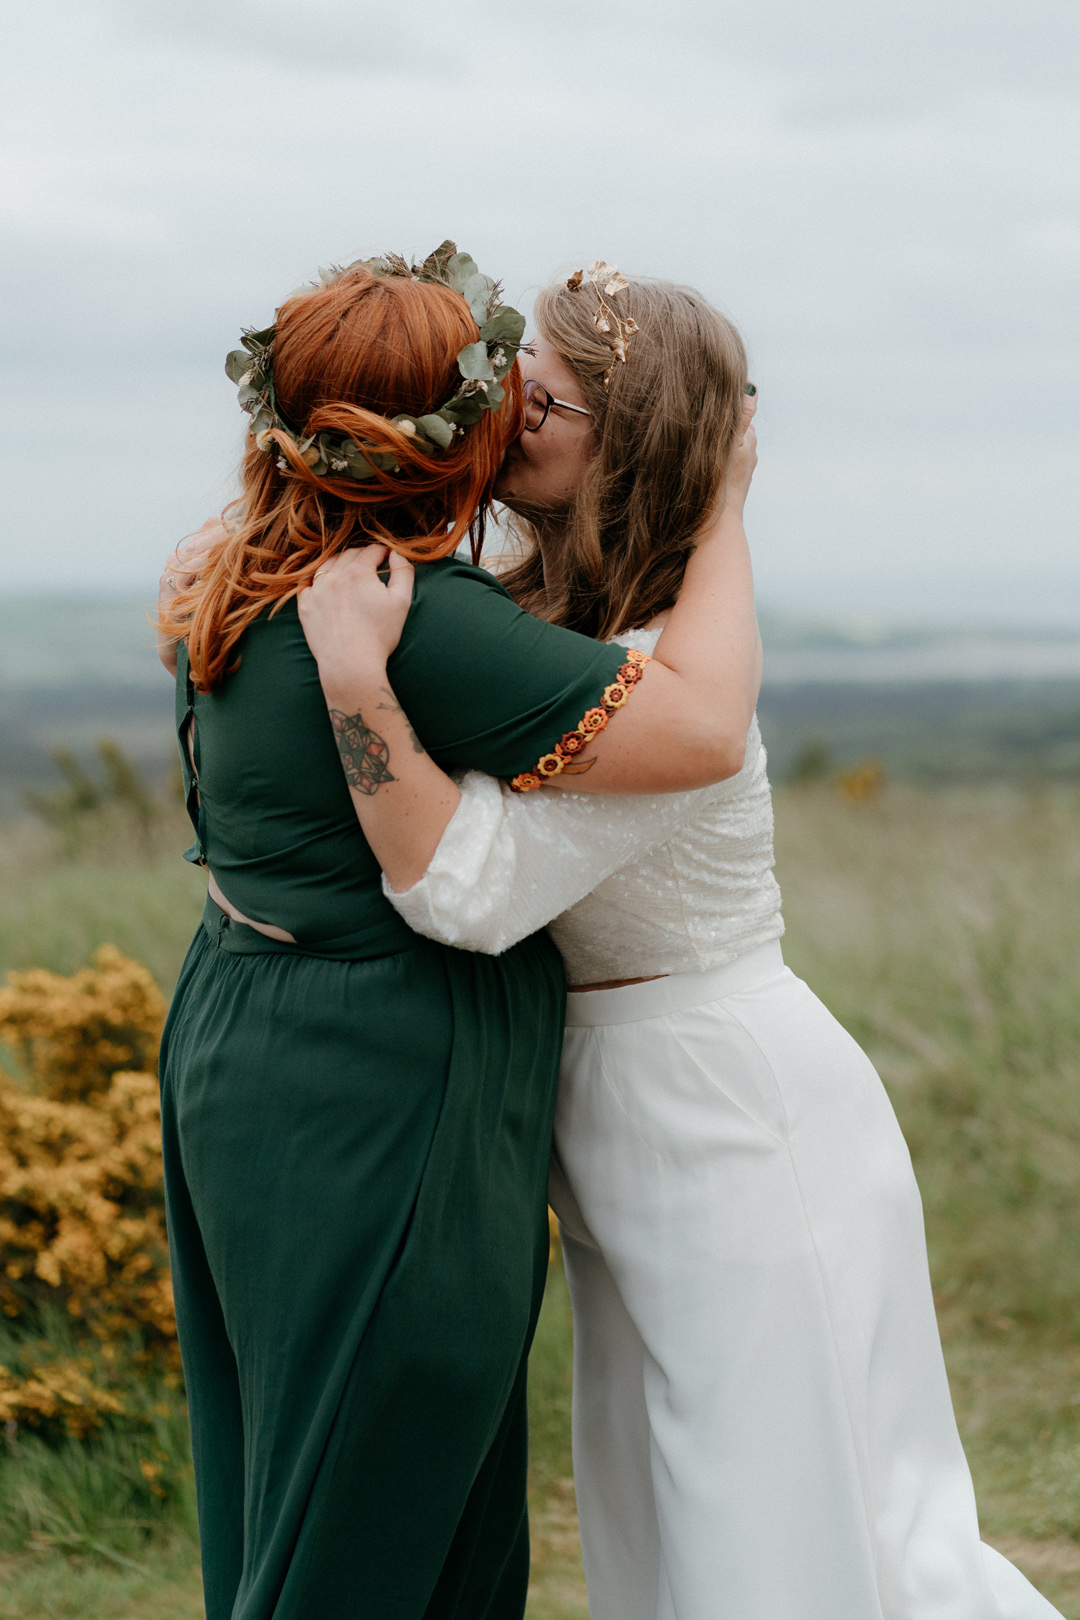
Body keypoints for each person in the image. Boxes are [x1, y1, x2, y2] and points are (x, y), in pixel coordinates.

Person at [298, 266, 1063, 1620]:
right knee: (665, 1507)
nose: (503, 408)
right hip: (625, 1113)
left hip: (733, 1115)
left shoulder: (663, 675)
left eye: (545, 399)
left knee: (784, 1518)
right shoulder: (550, 620)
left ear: (631, 441)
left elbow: (466, 891)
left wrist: (355, 682)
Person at [154, 245, 762, 1620]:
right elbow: (703, 730)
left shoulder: (242, 572)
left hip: (245, 1039)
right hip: (385, 1087)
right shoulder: (424, 625)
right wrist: (719, 505)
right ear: (460, 429)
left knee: (300, 1476)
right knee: (381, 1506)